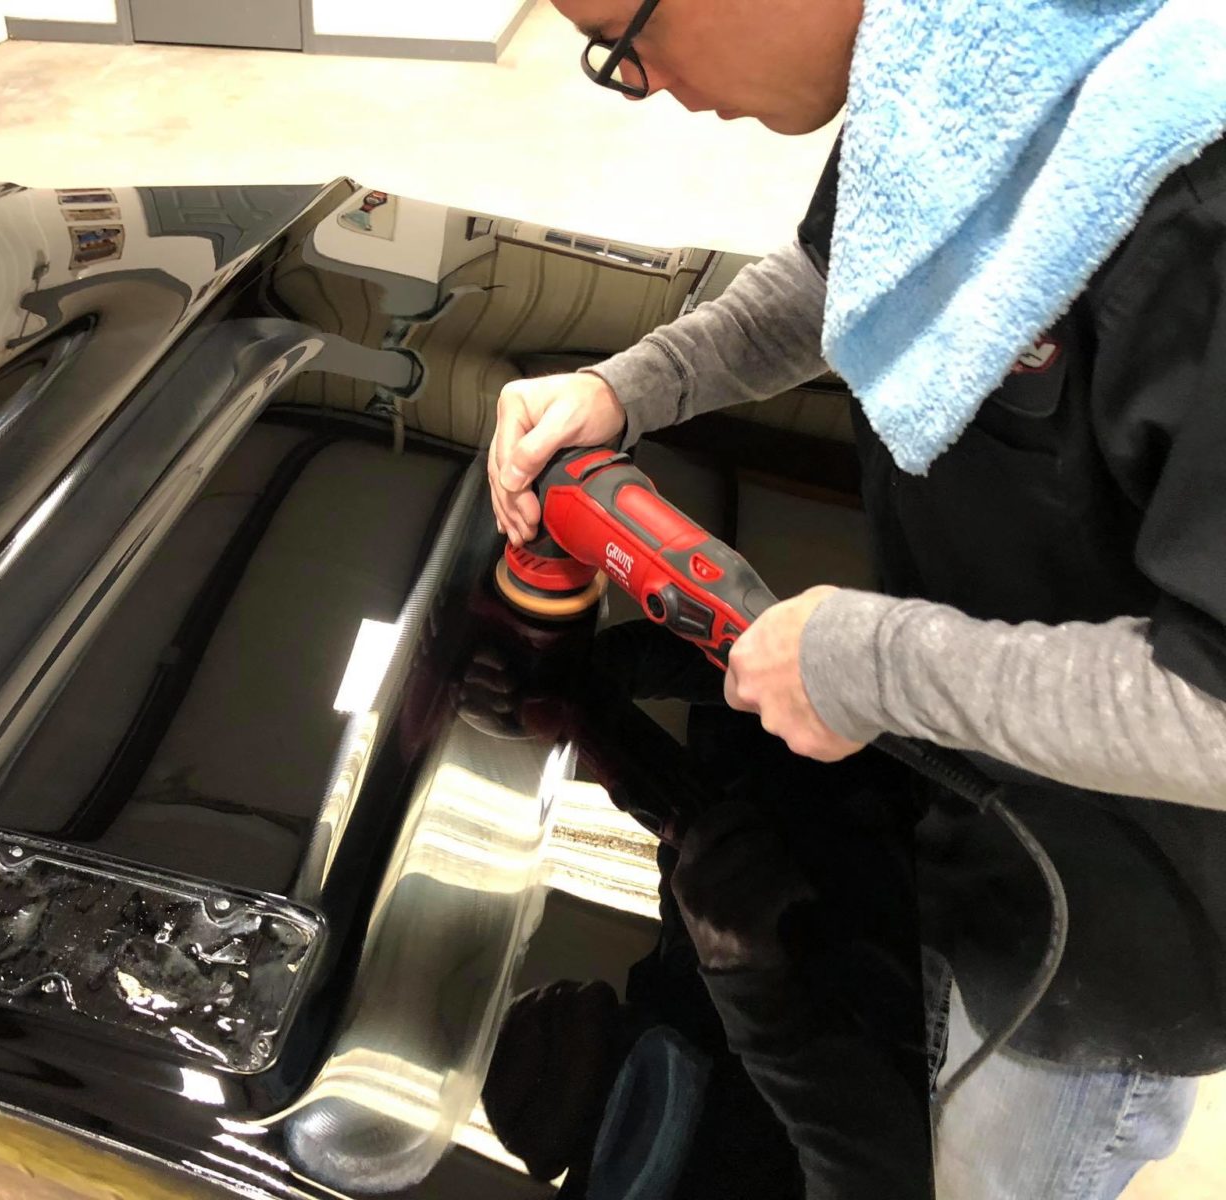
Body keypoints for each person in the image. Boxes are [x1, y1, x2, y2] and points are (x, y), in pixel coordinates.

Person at [486, 1, 1226, 1196]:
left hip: (1111, 924)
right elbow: (849, 273)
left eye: (623, 34)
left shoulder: (1197, 205)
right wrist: (632, 385)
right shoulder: (949, 59)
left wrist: (868, 665)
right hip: (967, 809)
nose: (636, 80)